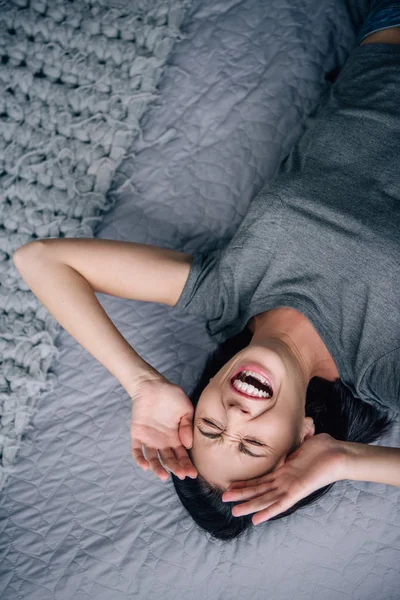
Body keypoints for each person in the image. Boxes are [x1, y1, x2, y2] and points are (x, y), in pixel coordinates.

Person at [12, 0, 400, 542]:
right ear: (305, 433)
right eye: (253, 443)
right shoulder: (382, 371)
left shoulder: (225, 296)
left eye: (213, 425)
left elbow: (41, 261)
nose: (237, 415)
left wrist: (142, 383)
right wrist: (342, 460)